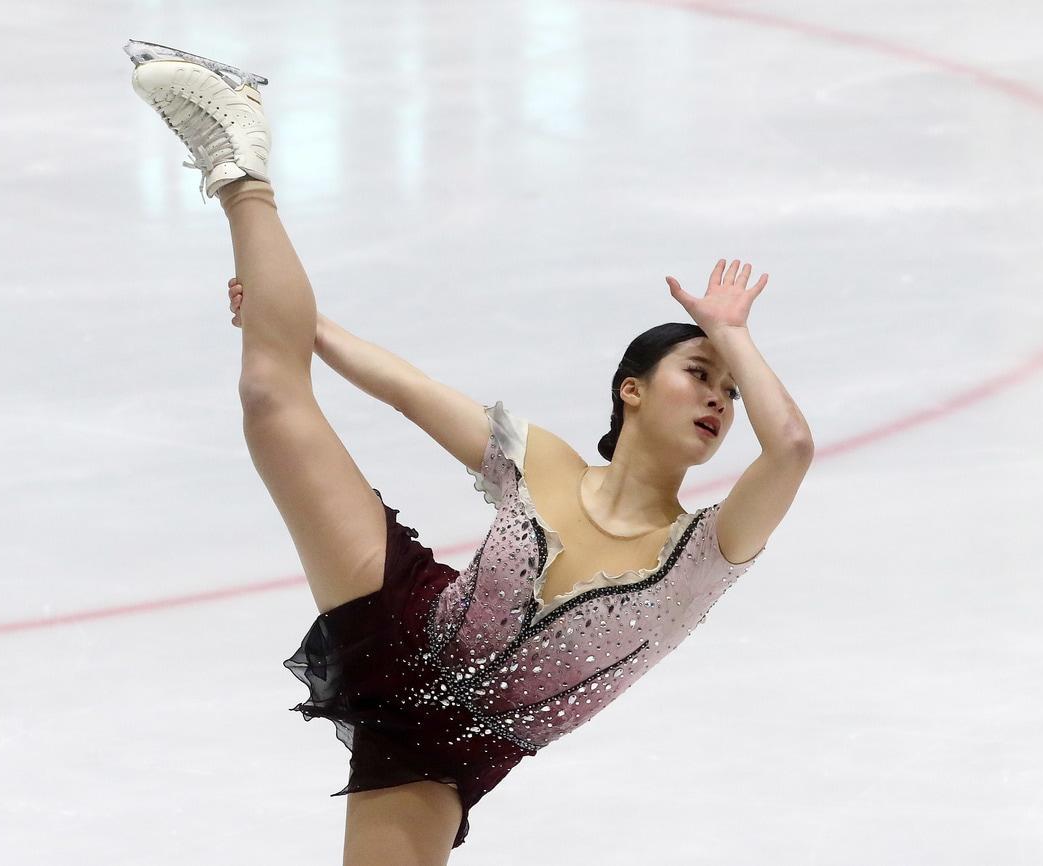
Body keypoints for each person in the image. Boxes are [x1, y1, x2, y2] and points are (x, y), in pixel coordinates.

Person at [129, 41, 814, 866]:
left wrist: (734, 336)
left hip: (446, 750)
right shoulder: (546, 461)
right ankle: (240, 162)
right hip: (401, 608)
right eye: (701, 375)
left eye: (731, 391)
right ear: (631, 388)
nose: (718, 399)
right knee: (271, 401)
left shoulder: (704, 553)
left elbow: (794, 447)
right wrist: (293, 321)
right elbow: (409, 389)